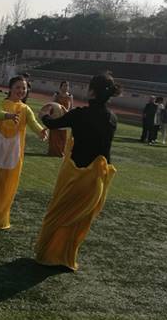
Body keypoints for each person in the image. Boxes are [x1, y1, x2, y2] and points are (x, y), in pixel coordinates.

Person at [34, 72, 121, 271]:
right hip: (97, 179)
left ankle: (47, 254)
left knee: (56, 216)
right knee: (80, 221)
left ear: (92, 92)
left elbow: (53, 124)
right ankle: (66, 257)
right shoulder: (112, 118)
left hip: (76, 175)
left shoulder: (80, 114)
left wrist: (43, 114)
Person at [0, 76, 47, 229]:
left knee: (7, 182)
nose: (21, 90)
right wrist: (8, 115)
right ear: (10, 88)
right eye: (18, 87)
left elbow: (33, 122)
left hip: (13, 149)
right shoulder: (0, 102)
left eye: (24, 88)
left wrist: (41, 131)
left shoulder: (25, 109)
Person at [48, 81, 73, 157]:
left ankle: (61, 151)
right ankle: (53, 151)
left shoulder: (70, 96)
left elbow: (71, 108)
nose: (66, 87)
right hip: (55, 117)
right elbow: (51, 104)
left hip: (64, 117)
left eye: (67, 86)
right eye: (64, 86)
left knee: (62, 136)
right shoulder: (56, 94)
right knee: (54, 134)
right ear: (60, 87)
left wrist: (68, 114)